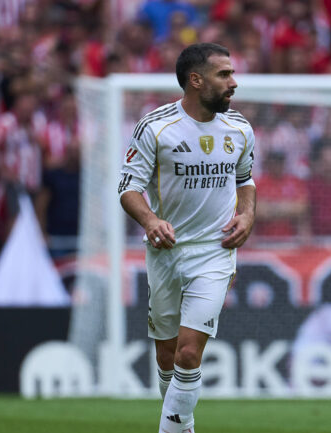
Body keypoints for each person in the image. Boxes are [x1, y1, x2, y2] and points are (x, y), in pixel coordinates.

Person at [118, 43, 255, 433]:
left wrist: (247, 215)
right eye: (224, 75)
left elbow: (245, 180)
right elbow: (128, 188)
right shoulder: (156, 127)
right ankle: (183, 423)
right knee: (167, 356)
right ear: (196, 80)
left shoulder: (240, 129)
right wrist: (150, 220)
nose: (234, 83)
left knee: (189, 352)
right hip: (166, 250)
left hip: (215, 251)